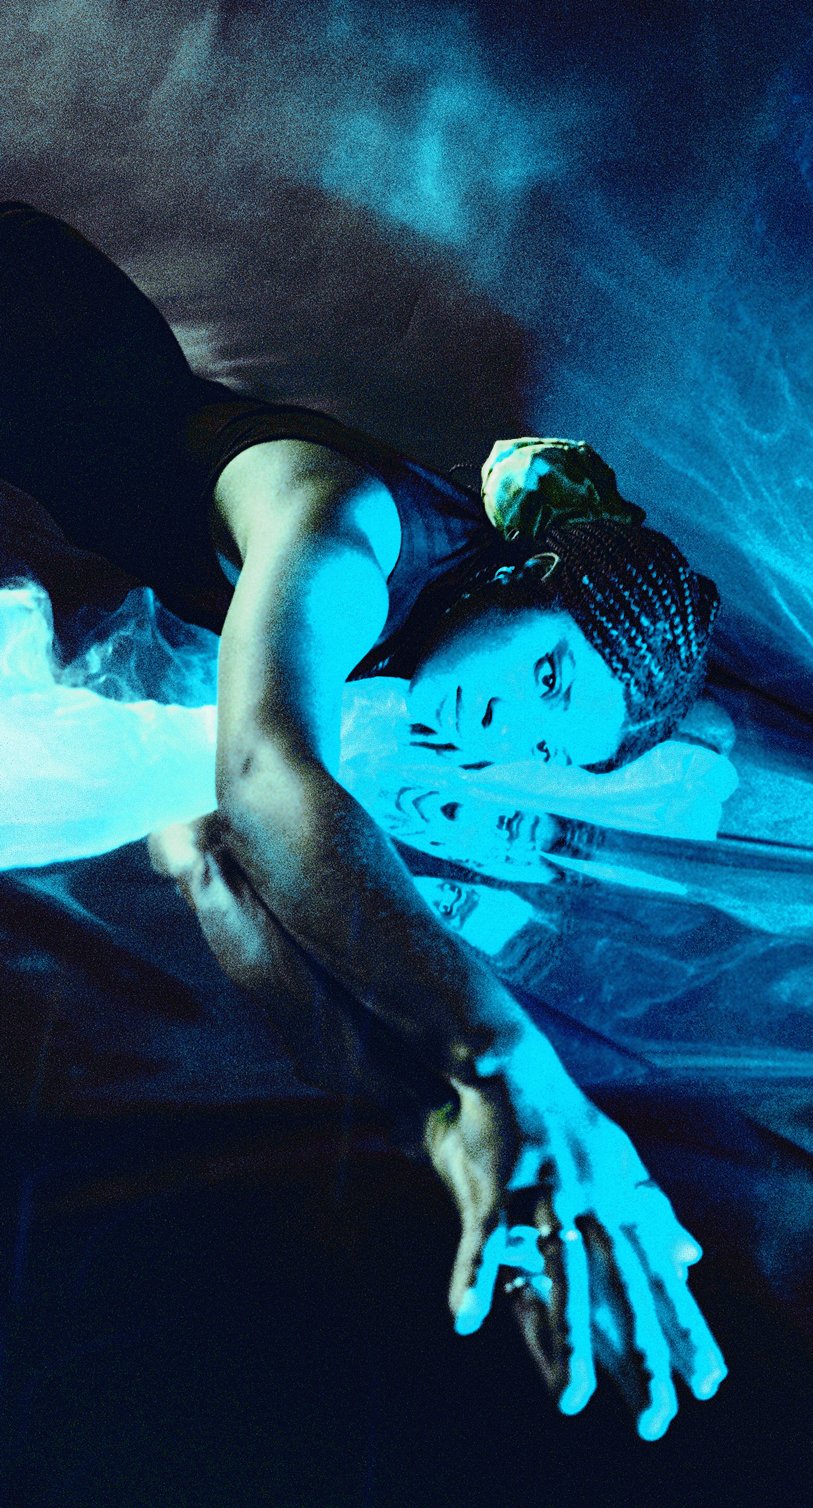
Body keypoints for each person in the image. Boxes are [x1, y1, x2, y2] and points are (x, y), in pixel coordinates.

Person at [0, 201, 727, 1439]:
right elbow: (263, 777)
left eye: (543, 747)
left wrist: (442, 1125)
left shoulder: (405, 669)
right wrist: (515, 1065)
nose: (502, 729)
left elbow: (222, 864)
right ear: (522, 573)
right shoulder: (350, 526)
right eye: (548, 675)